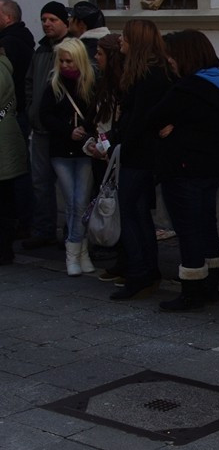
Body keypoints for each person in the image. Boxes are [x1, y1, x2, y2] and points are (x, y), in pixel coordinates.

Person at [148, 30, 219, 311]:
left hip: (184, 169)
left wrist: (173, 128)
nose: (169, 60)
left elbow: (153, 118)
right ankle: (210, 286)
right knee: (206, 224)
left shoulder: (187, 88)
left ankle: (192, 290)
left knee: (189, 229)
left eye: (171, 55)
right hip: (212, 167)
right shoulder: (218, 84)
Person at [110, 19, 172, 300]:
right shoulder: (150, 71)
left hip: (140, 155)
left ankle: (140, 273)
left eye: (124, 36)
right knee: (137, 214)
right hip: (142, 153)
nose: (120, 40)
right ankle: (145, 272)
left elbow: (140, 119)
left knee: (132, 214)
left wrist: (117, 139)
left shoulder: (149, 75)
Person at [38, 37, 96, 276]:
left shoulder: (91, 83)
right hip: (61, 151)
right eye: (61, 61)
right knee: (72, 201)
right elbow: (45, 116)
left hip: (84, 151)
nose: (65, 65)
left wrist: (85, 131)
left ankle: (79, 251)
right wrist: (67, 130)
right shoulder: (54, 85)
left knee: (81, 202)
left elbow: (98, 114)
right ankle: (74, 252)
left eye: (69, 61)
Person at [24, 1, 70, 250]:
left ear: (65, 22)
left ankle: (73, 234)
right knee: (40, 182)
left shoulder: (72, 48)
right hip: (41, 129)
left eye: (52, 19)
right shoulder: (40, 51)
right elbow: (30, 83)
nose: (46, 24)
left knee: (69, 186)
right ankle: (44, 229)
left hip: (63, 131)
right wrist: (32, 109)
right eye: (43, 19)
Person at [86, 33, 126, 283]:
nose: (95, 57)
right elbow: (97, 118)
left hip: (116, 155)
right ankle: (121, 259)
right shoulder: (104, 84)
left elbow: (123, 126)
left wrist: (107, 145)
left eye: (100, 54)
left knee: (121, 209)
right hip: (102, 152)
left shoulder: (123, 86)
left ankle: (127, 260)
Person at [0, 0, 35, 241]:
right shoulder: (23, 39)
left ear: (7, 17)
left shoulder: (9, 45)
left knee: (14, 174)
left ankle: (19, 223)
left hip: (11, 116)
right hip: (14, 115)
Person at [0, 46, 28, 264]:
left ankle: (4, 249)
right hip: (6, 137)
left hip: (3, 140)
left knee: (4, 198)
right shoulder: (4, 65)